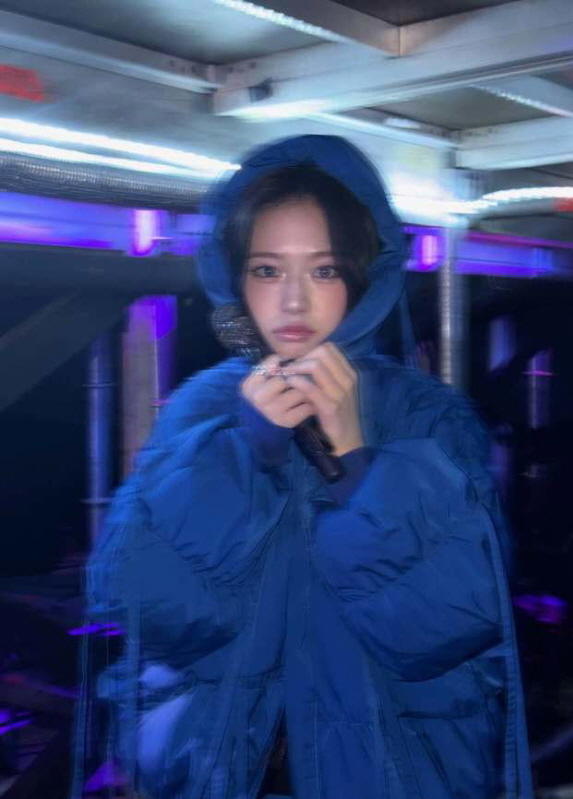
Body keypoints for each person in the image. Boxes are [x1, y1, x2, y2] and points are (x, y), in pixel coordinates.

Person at [72, 135, 533, 799]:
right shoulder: (203, 408)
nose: (293, 302)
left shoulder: (427, 415)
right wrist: (243, 460)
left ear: (363, 277)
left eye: (323, 271)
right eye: (267, 270)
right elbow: (143, 606)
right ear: (235, 277)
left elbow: (451, 627)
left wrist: (361, 470)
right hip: (215, 773)